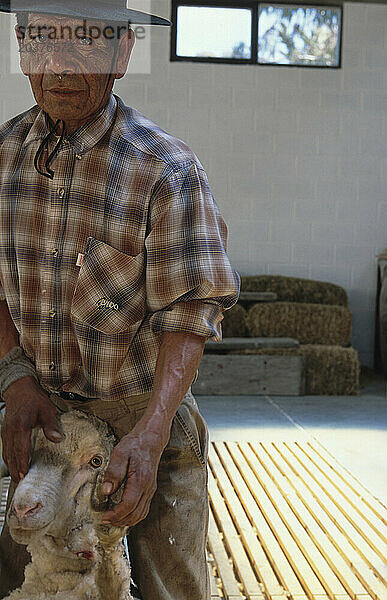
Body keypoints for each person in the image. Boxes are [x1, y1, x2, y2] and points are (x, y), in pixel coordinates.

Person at [0, 1, 240, 598]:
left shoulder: (165, 168)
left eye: (83, 44)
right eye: (41, 42)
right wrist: (13, 378)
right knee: (28, 576)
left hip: (144, 413)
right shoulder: (2, 157)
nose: (58, 65)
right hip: (39, 412)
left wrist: (154, 430)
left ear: (122, 53)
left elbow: (191, 311)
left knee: (170, 586)